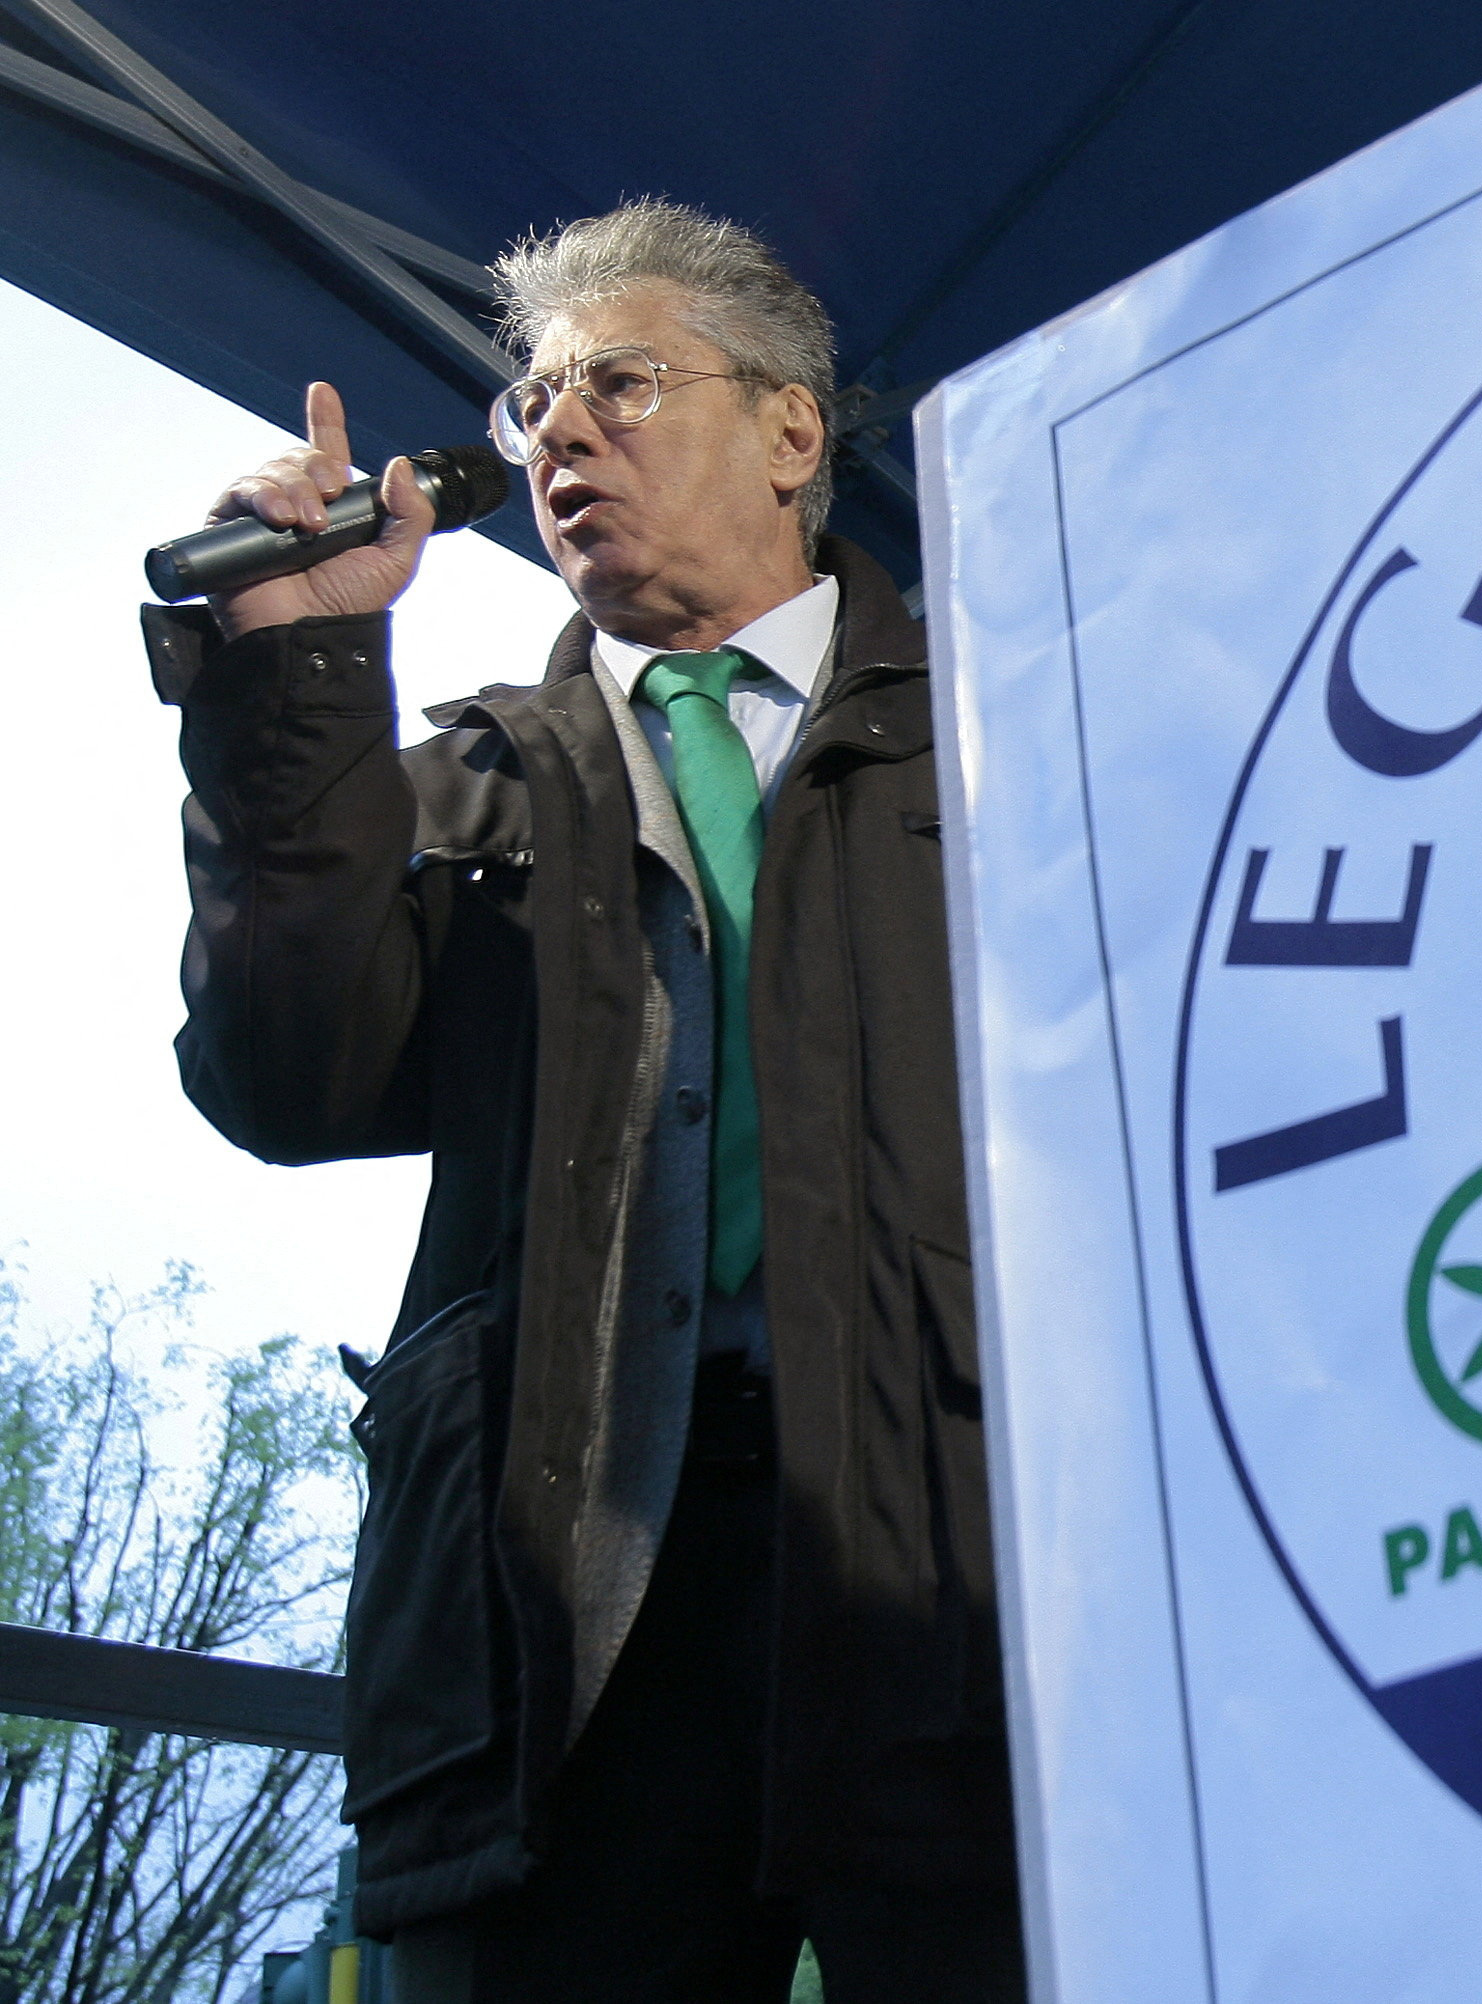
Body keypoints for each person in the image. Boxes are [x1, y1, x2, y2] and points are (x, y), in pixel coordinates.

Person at [142, 200, 1015, 2001]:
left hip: (966, 1547)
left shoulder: (1012, 715)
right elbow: (286, 1080)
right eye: (533, 400)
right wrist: (294, 677)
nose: (556, 431)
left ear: (793, 432)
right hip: (571, 1590)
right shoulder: (462, 778)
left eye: (620, 380)